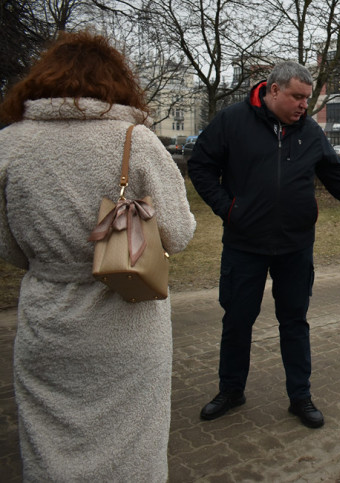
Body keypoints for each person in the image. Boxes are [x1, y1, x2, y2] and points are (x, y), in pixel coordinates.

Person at [0, 31, 196, 481]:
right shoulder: (137, 141)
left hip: (47, 324)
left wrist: (53, 262)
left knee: (49, 447)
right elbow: (180, 234)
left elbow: (8, 248)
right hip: (127, 321)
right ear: (117, 83)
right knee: (133, 447)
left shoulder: (9, 144)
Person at [188, 61, 340, 428]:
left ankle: (300, 397)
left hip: (295, 246)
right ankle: (230, 390)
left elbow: (338, 178)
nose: (304, 105)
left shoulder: (309, 131)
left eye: (307, 99)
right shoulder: (232, 121)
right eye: (297, 97)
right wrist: (228, 208)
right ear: (273, 90)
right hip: (245, 244)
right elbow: (201, 166)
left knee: (294, 322)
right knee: (238, 321)